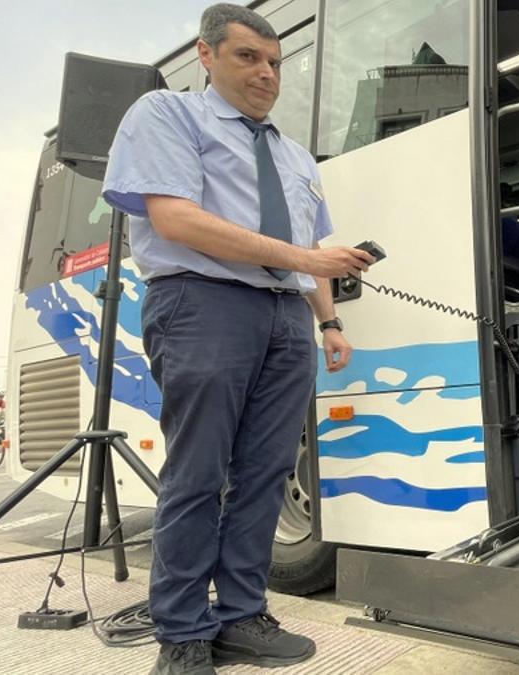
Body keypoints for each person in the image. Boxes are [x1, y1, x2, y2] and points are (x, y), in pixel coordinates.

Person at [102, 5, 374, 673]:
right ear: (208, 53)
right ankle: (183, 633)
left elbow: (307, 245)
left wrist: (329, 320)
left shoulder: (295, 154)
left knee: (265, 474)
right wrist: (309, 262)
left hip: (284, 316)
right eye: (249, 57)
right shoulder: (167, 115)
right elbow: (175, 219)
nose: (266, 73)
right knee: (198, 473)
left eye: (275, 62)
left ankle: (242, 615)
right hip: (202, 303)